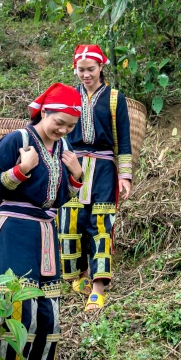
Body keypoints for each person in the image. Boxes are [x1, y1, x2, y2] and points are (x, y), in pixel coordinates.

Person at [0, 83, 83, 360]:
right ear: (44, 112)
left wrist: (76, 177)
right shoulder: (16, 140)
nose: (64, 130)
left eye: (70, 126)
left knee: (41, 315)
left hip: (45, 237)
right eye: (59, 122)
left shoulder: (63, 148)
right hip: (14, 234)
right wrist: (21, 169)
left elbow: (57, 200)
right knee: (12, 313)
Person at [57, 44, 132, 312]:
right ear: (74, 69)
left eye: (91, 69)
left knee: (101, 224)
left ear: (101, 68)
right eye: (81, 70)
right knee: (71, 221)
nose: (86, 75)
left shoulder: (114, 98)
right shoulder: (68, 97)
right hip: (72, 163)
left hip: (102, 169)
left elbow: (123, 139)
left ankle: (99, 288)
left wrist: (125, 176)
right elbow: (57, 131)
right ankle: (79, 276)